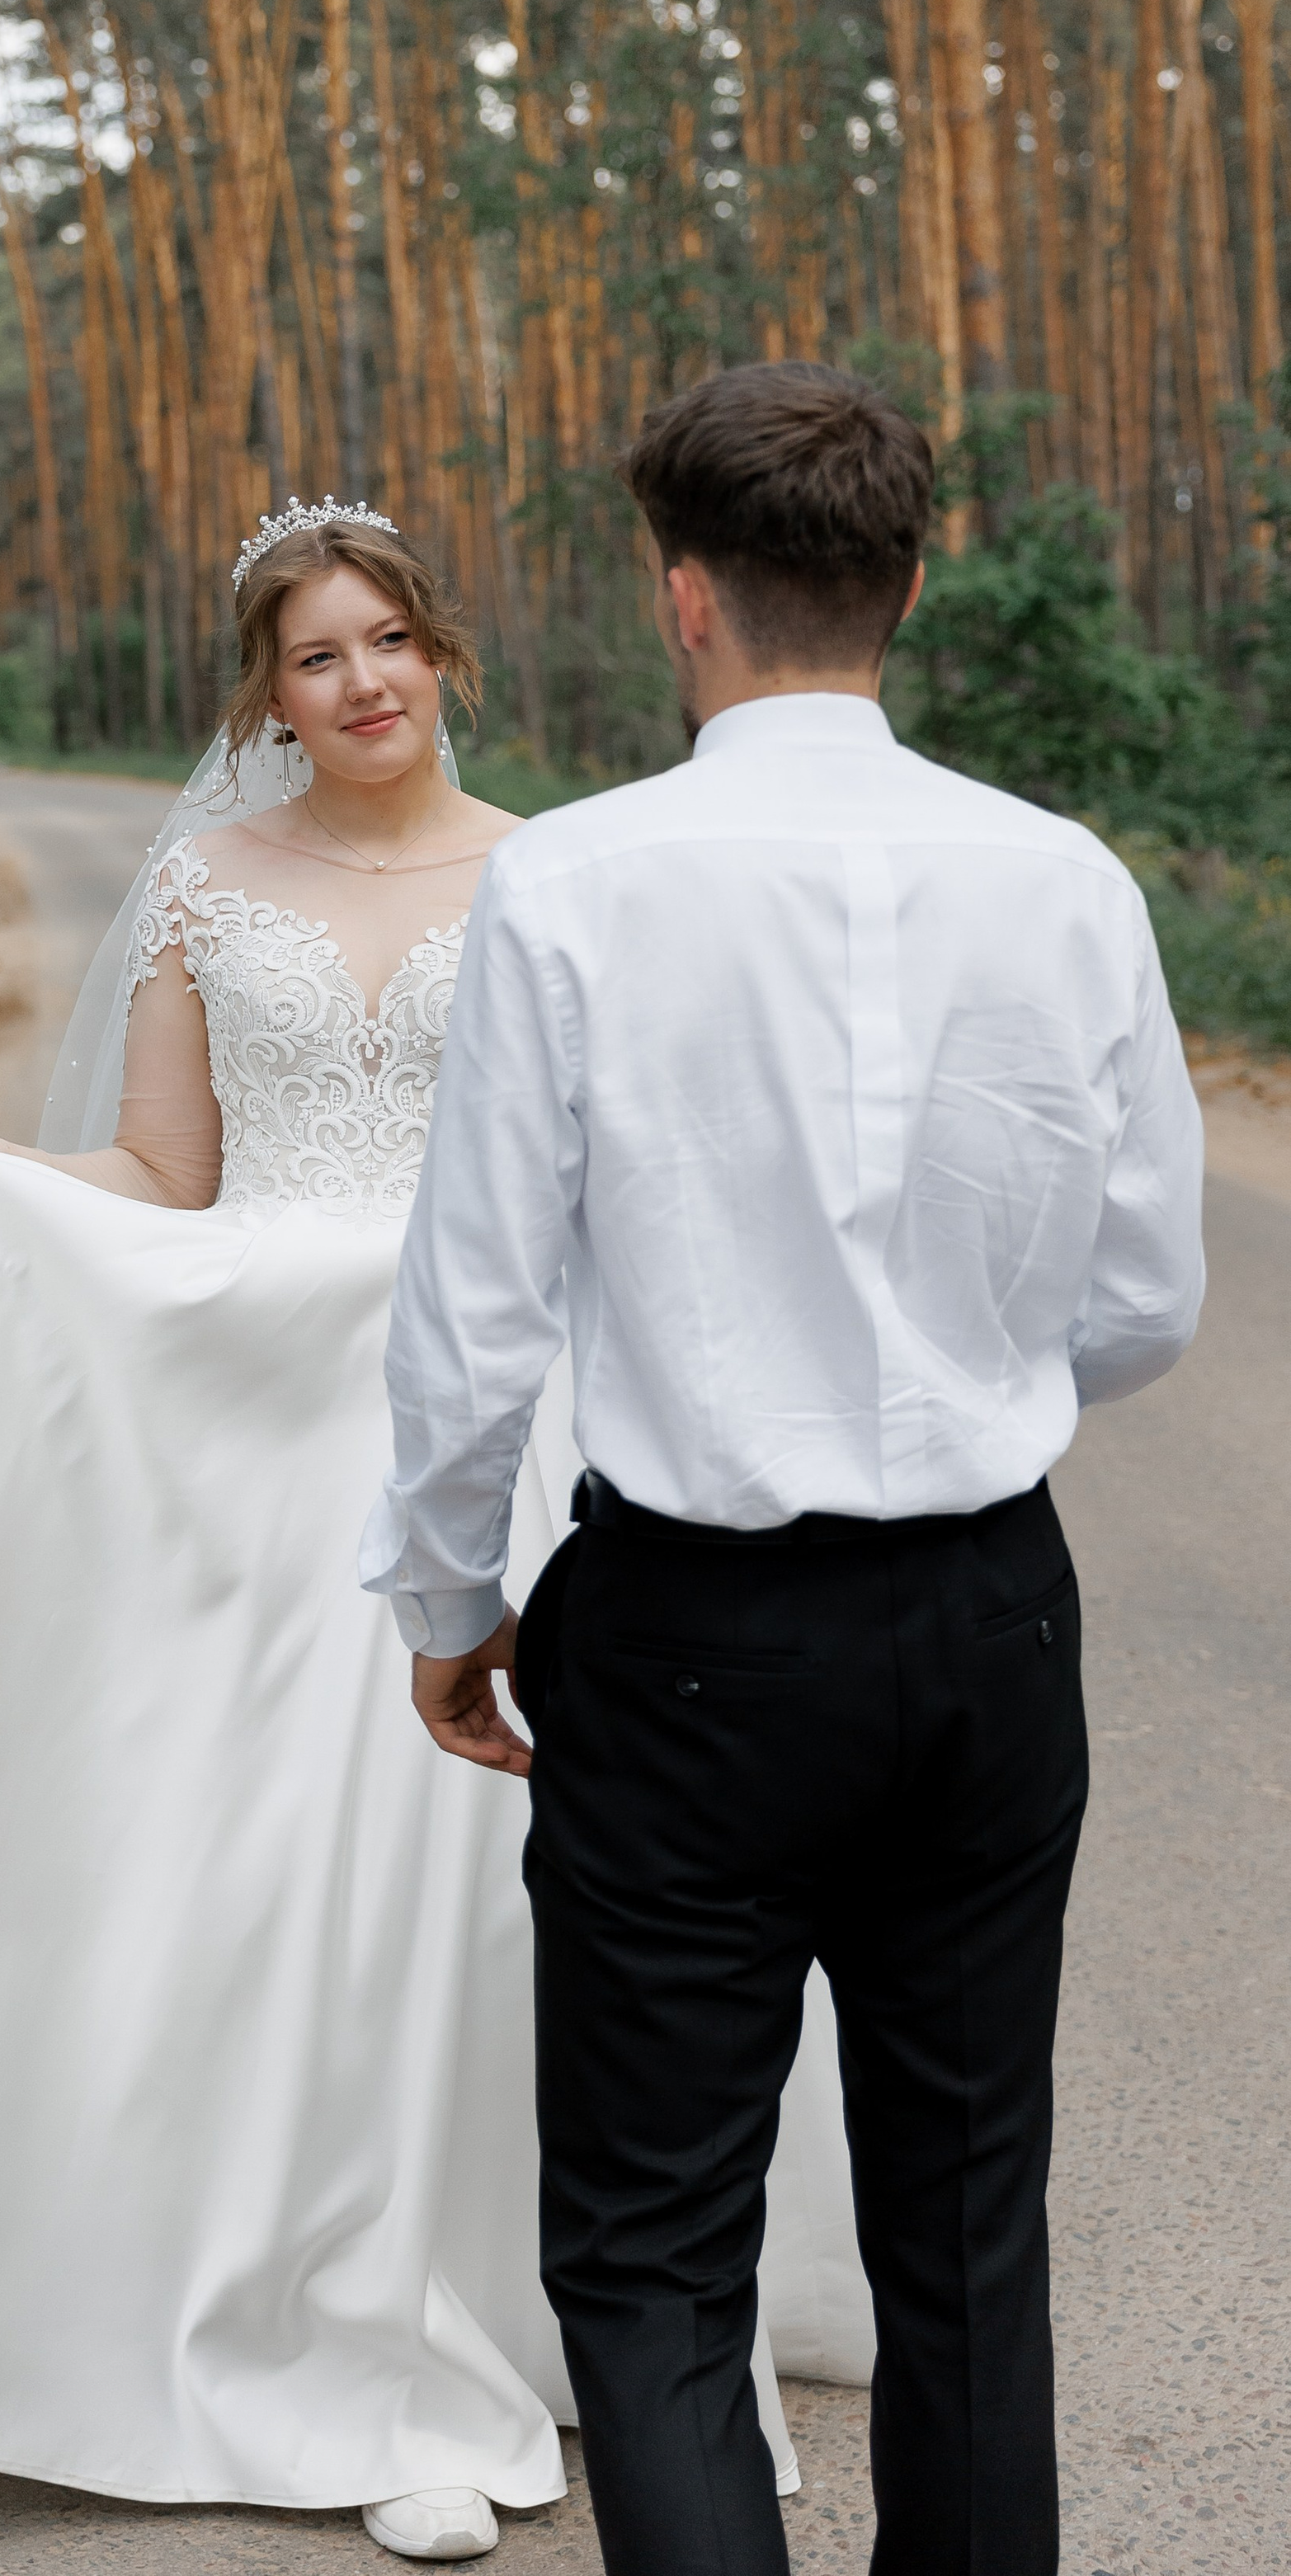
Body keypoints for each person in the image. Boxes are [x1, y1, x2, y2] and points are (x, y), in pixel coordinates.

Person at [0, 500, 866, 2563]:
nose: (358, 682)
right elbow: (163, 1173)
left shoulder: (562, 877)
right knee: (272, 1868)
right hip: (262, 1412)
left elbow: (617, 1177)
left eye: (385, 639)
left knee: (483, 1877)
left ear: (441, 651)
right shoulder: (205, 881)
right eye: (312, 657)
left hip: (489, 1402)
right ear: (261, 693)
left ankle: (483, 2320)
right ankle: (314, 2329)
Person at [362, 365, 1208, 2576]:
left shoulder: (569, 888)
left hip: (690, 1642)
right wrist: (943, 1391)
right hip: (992, 1619)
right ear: (911, 586)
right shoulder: (1068, 882)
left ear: (683, 598)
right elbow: (1144, 1304)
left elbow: (470, 1323)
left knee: (652, 2262)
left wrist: (456, 1609)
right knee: (963, 2241)